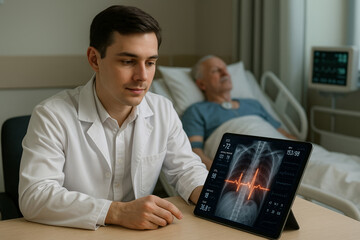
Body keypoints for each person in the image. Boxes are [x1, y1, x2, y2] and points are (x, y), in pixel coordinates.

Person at [18, 5, 208, 230]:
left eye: (150, 63)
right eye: (128, 62)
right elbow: (34, 196)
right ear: (94, 59)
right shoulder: (52, 115)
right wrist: (117, 211)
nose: (142, 77)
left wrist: (211, 195)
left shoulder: (163, 109)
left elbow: (185, 169)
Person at [182, 55, 296, 170]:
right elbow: (194, 151)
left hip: (285, 154)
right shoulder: (196, 111)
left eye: (225, 69)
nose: (225, 73)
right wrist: (218, 171)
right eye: (216, 70)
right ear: (201, 84)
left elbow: (283, 134)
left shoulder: (253, 104)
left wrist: (307, 149)